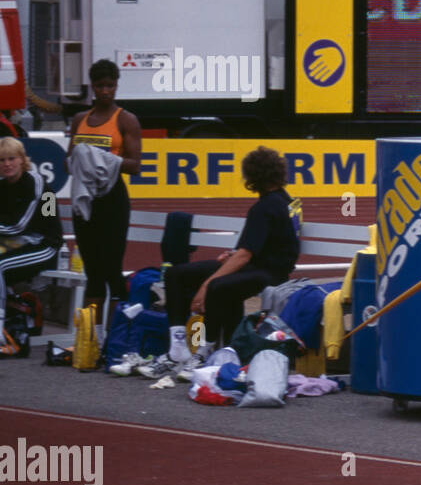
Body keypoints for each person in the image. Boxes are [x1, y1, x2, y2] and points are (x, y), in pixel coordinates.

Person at [138, 146, 301, 377]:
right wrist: (231, 257)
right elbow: (260, 246)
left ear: (253, 176)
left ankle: (204, 352)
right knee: (177, 274)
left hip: (270, 272)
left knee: (217, 286)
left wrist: (205, 285)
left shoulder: (265, 207)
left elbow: (246, 254)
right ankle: (177, 350)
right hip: (258, 263)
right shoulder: (284, 200)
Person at [66, 59, 142, 323]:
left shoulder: (126, 120)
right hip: (86, 200)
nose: (105, 91)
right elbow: (70, 161)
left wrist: (105, 160)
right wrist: (85, 159)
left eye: (110, 85)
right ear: (92, 87)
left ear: (117, 85)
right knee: (93, 271)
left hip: (112, 200)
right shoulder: (79, 120)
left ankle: (118, 333)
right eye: (100, 86)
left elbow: (135, 166)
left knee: (111, 268)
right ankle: (90, 339)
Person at [0, 137, 60, 348]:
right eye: (1, 160)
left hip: (45, 245)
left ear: (22, 160)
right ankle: (14, 313)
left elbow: (18, 226)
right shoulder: (2, 185)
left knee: (0, 265)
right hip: (18, 242)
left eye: (11, 159)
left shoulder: (37, 183)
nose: (6, 164)